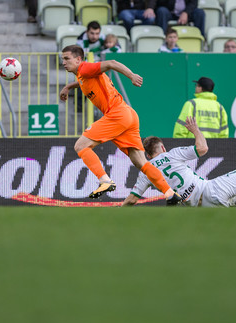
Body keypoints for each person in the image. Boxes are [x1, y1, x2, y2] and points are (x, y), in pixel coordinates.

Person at [59, 45, 183, 205]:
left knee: (81, 146)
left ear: (78, 59)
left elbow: (111, 62)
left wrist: (131, 75)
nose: (63, 62)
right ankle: (170, 193)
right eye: (62, 59)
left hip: (117, 114)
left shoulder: (84, 68)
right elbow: (81, 82)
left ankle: (105, 180)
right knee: (140, 162)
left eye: (67, 58)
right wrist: (68, 86)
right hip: (129, 114)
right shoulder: (83, 75)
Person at [123, 117, 236, 207]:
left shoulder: (146, 172)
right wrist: (196, 130)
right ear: (162, 147)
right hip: (210, 190)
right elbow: (202, 148)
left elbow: (132, 199)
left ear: (148, 155)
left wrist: (119, 209)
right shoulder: (173, 154)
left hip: (200, 207)